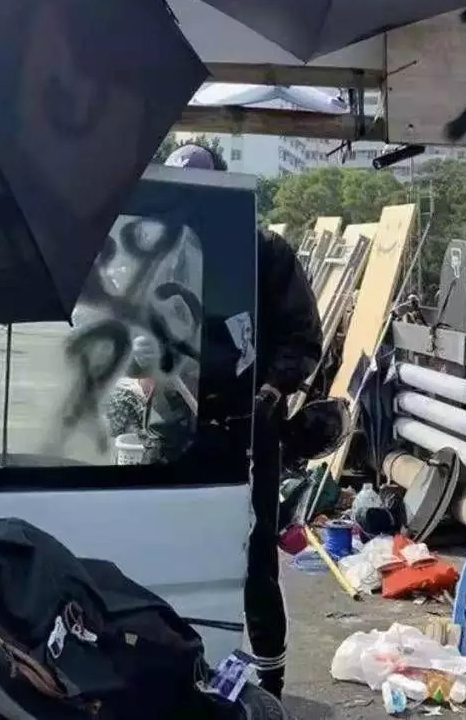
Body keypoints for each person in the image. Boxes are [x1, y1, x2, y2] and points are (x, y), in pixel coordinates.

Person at [165, 143, 324, 699]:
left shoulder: (265, 252)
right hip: (176, 426)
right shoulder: (162, 248)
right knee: (176, 545)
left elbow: (303, 336)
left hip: (249, 427)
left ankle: (270, 683)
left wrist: (272, 390)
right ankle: (182, 669)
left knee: (254, 557)